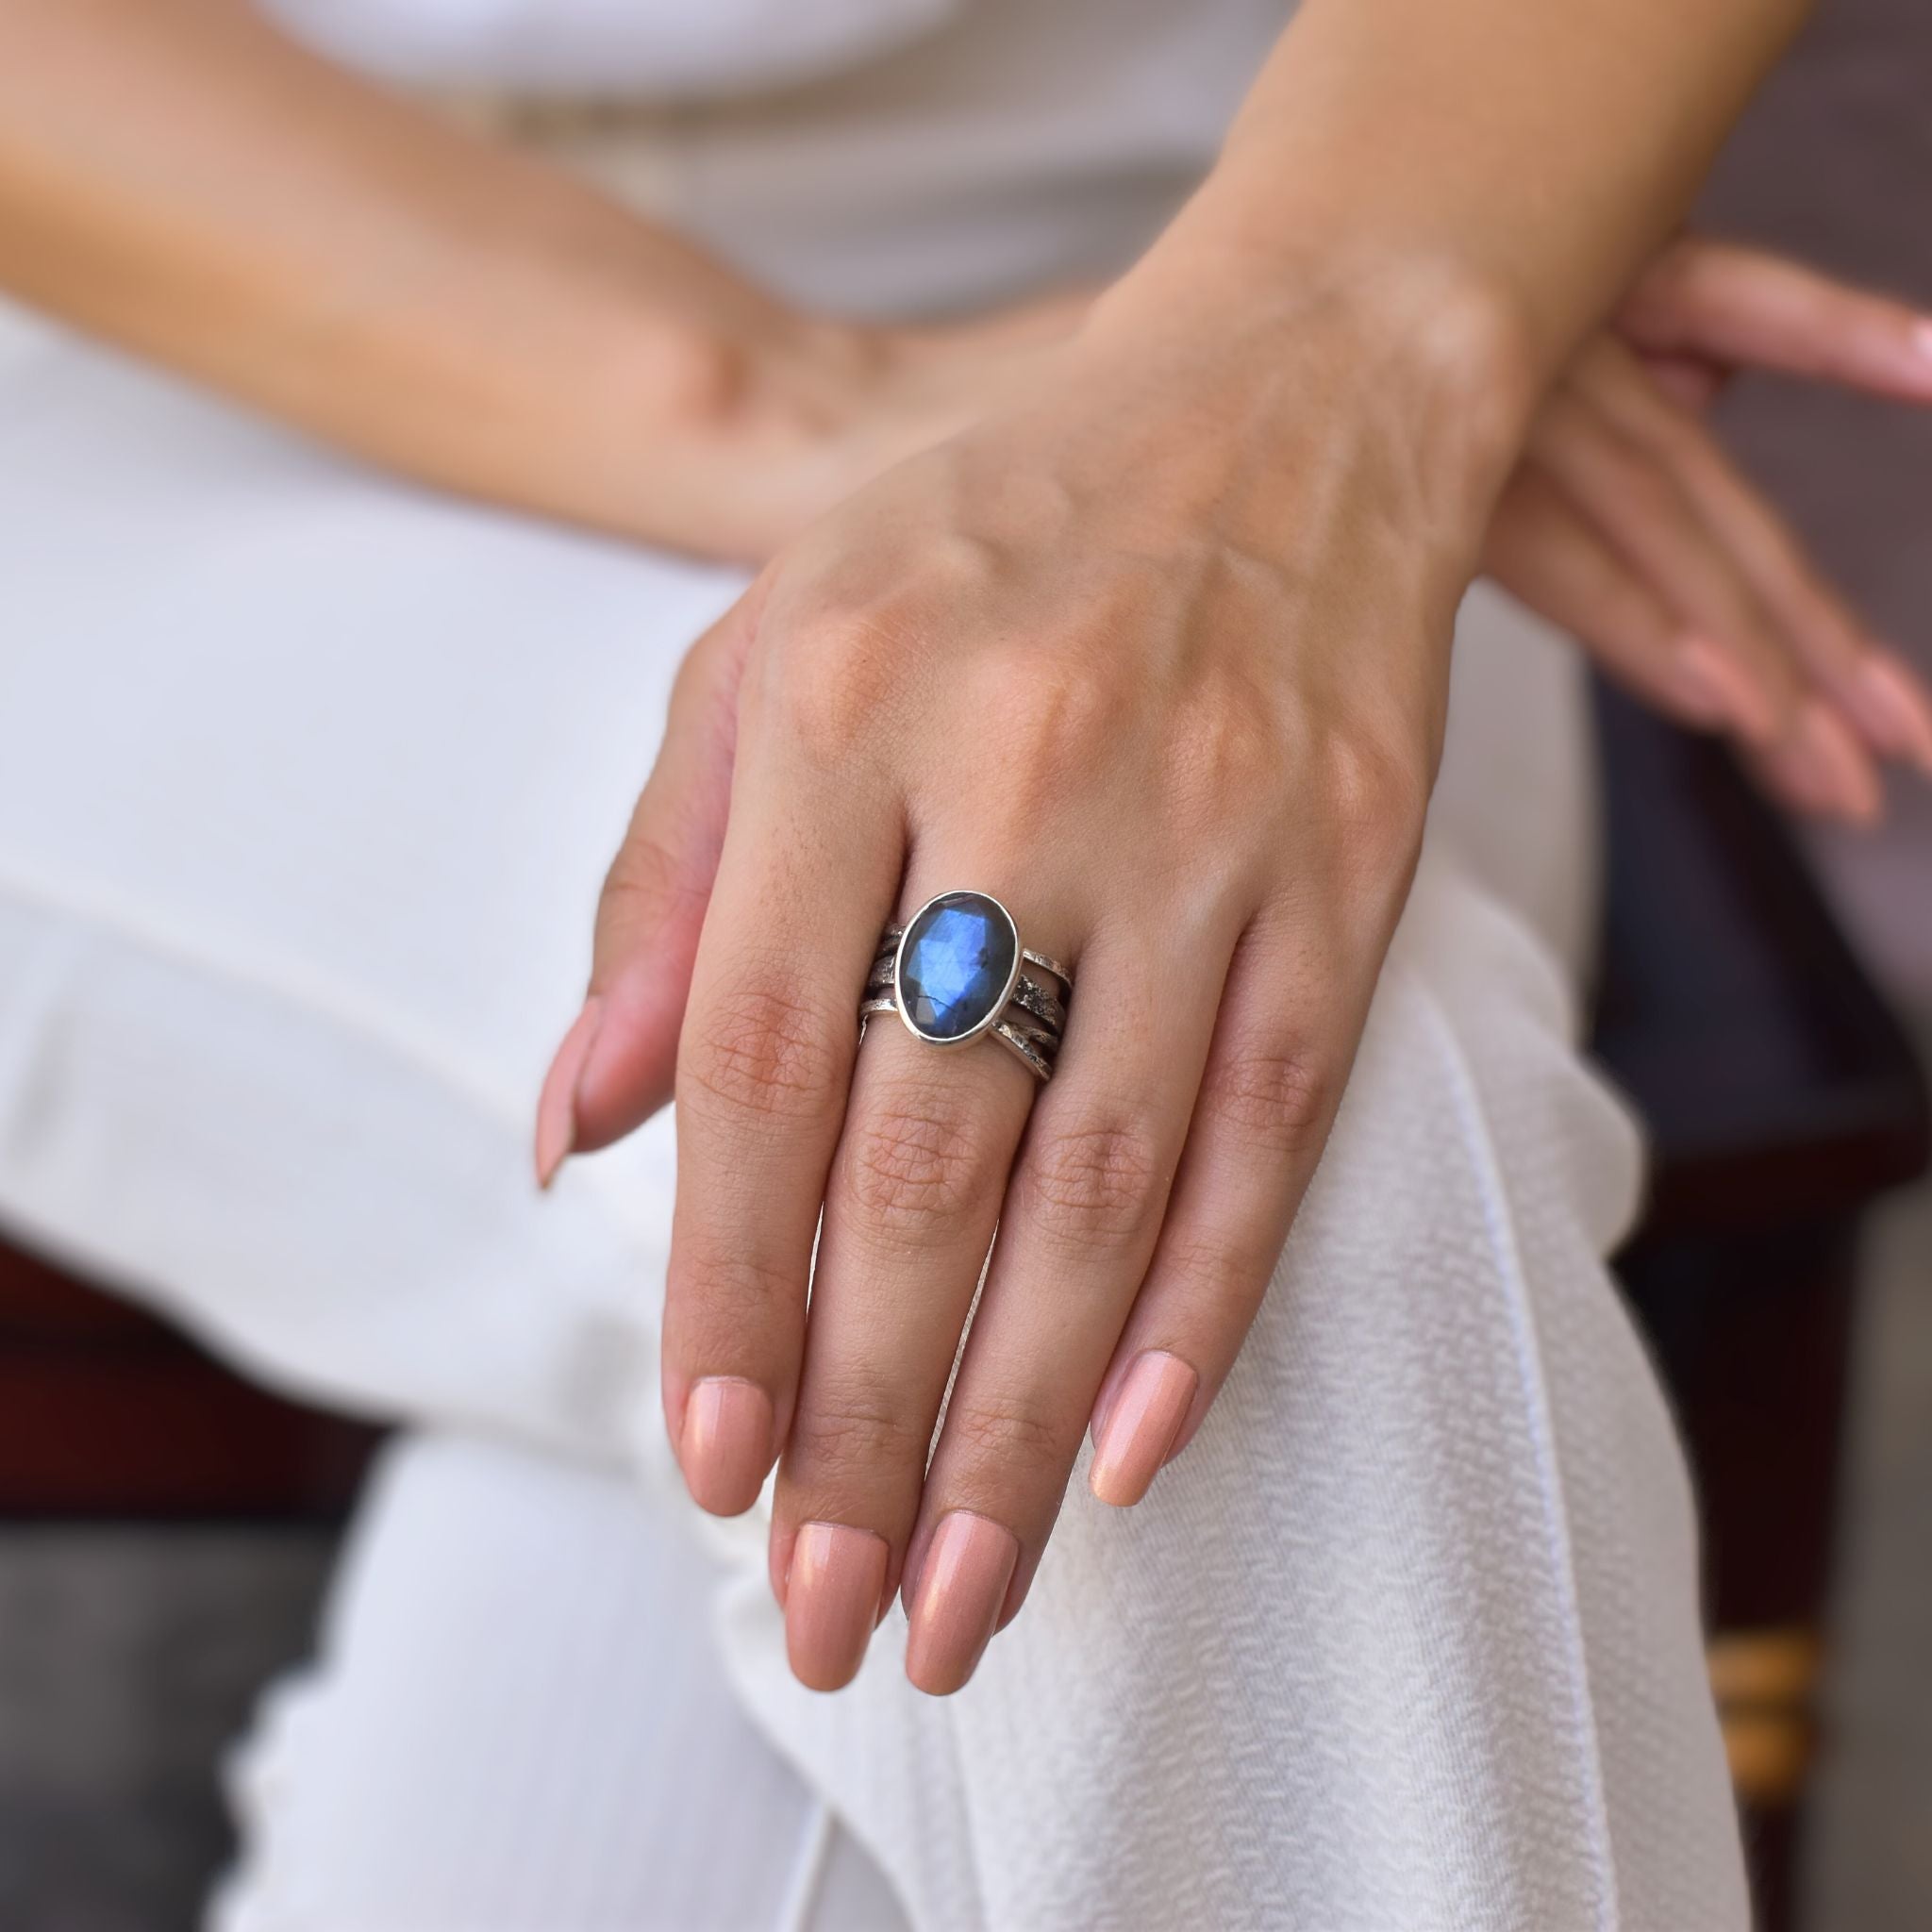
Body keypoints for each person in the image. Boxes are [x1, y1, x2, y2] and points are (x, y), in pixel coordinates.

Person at [3, 0, 1931, 1924]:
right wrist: (779, 401)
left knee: (1209, 1154)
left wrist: (1349, 334)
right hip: (132, 334)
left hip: (1233, 278)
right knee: (1165, 1178)